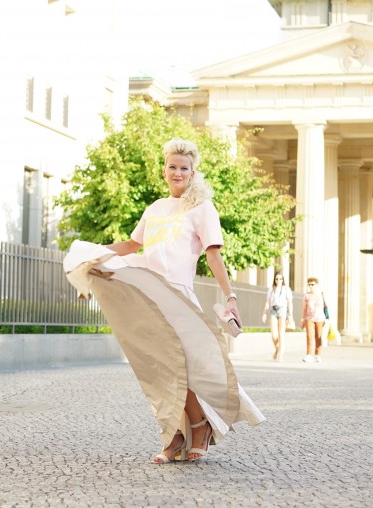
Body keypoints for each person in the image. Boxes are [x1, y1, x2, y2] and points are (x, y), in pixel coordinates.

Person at [64, 138, 264, 464]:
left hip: (179, 297)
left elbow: (214, 256)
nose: (177, 172)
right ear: (164, 170)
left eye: (183, 168)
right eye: (172, 166)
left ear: (192, 172)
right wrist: (95, 255)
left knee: (186, 368)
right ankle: (175, 434)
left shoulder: (201, 207)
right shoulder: (155, 208)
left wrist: (230, 296)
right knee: (158, 369)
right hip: (150, 295)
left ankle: (197, 427)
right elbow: (131, 245)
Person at [261, 271, 293, 361]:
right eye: (277, 279)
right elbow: (268, 302)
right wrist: (264, 313)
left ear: (283, 280)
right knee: (274, 334)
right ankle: (278, 348)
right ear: (274, 279)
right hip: (273, 311)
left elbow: (290, 302)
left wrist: (290, 315)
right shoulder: (271, 289)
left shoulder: (286, 289)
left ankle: (280, 354)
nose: (278, 280)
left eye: (280, 279)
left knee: (281, 333)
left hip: (282, 310)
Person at [300, 277, 326, 363]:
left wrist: (328, 320)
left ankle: (318, 355)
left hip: (320, 318)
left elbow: (326, 307)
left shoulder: (321, 294)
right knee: (309, 336)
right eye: (309, 285)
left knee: (318, 337)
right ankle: (309, 355)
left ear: (317, 285)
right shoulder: (306, 295)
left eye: (312, 284)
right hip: (309, 318)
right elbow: (304, 308)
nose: (310, 286)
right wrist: (302, 319)